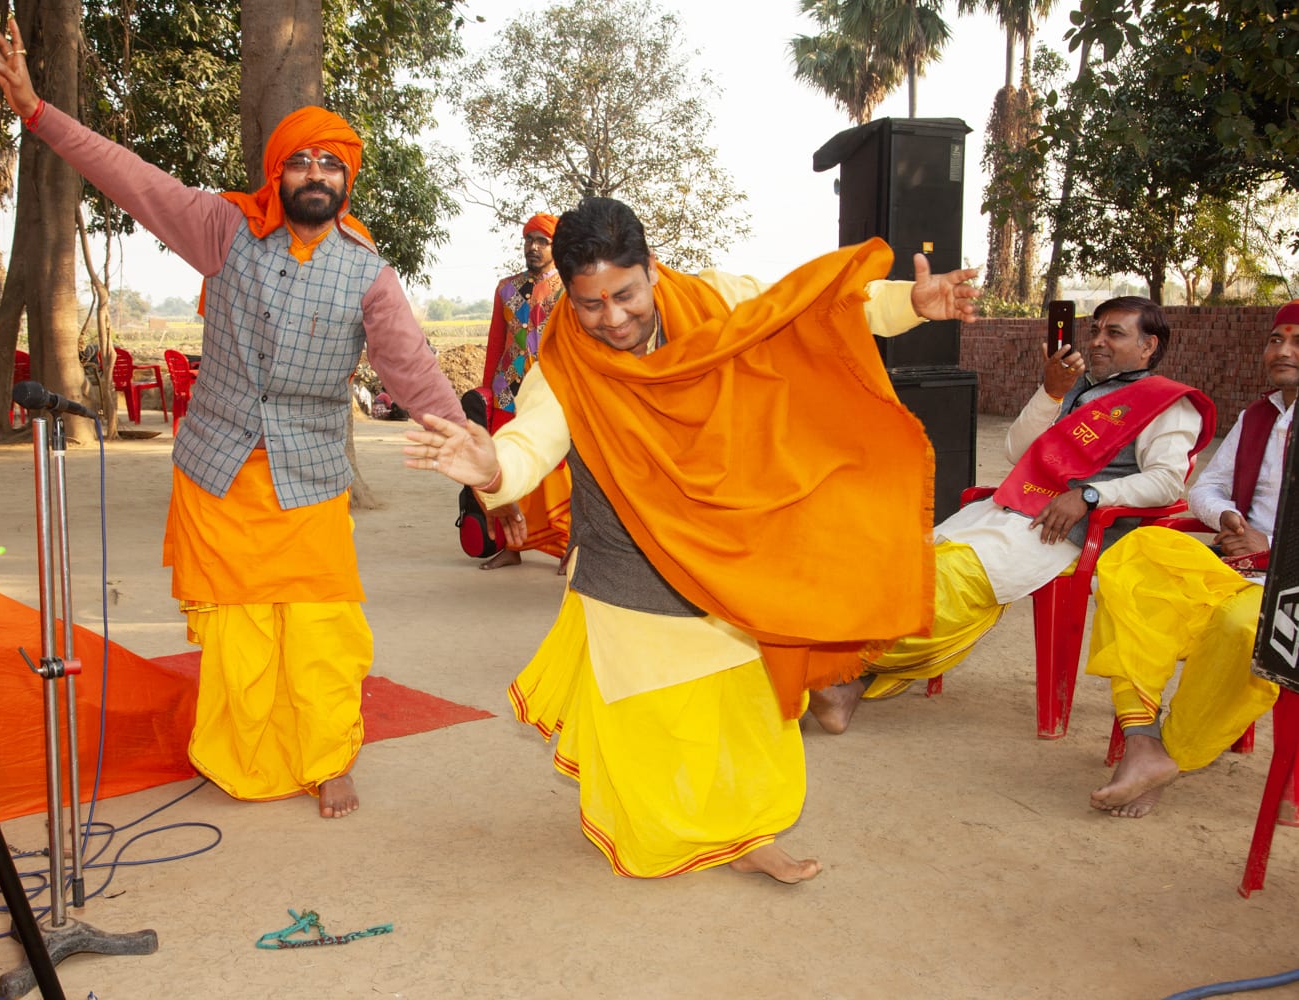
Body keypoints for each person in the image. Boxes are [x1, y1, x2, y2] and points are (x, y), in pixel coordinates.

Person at [0, 19, 467, 818]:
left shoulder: (368, 273)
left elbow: (413, 368)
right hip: (219, 470)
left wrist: (479, 457)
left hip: (309, 480)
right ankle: (244, 755)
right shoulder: (223, 229)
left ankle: (327, 757)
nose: (315, 173)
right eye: (301, 160)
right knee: (240, 631)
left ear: (347, 179)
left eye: (331, 163)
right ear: (279, 171)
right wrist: (35, 109)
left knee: (322, 627)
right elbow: (129, 176)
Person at [405, 196, 980, 883]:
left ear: (651, 269)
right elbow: (530, 444)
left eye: (625, 294)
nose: (612, 319)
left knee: (744, 705)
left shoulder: (716, 300)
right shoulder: (564, 365)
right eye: (590, 305)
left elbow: (819, 307)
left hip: (731, 549)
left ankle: (749, 834)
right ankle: (670, 833)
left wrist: (910, 303)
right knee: (651, 715)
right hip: (627, 562)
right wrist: (492, 469)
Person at [808, 296, 1217, 734]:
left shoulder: (1167, 404)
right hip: (1010, 511)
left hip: (1069, 532)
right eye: (1095, 331)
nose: (1098, 341)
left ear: (1148, 346)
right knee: (902, 563)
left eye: (1114, 333)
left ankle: (835, 672)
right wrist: (1051, 392)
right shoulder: (1073, 387)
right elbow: (1015, 451)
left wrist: (1090, 495)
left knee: (951, 580)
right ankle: (847, 681)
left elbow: (1167, 482)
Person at [1082, 300, 1299, 818]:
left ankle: (1174, 753)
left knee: (1241, 626)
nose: (1282, 351)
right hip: (1236, 564)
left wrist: (1270, 548)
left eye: (1297, 341)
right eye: (1276, 339)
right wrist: (1229, 517)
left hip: (1287, 584)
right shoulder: (1258, 416)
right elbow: (1207, 488)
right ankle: (1142, 739)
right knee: (1133, 559)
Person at [473, 214, 571, 571]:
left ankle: (568, 547)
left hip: (551, 392)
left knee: (557, 471)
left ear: (556, 246)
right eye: (529, 239)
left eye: (542, 241)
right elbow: (495, 343)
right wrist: (487, 391)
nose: (533, 247)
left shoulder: (570, 289)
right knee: (504, 465)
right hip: (508, 392)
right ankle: (510, 547)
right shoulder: (506, 288)